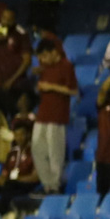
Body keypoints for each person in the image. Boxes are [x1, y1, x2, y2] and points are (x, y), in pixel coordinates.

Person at [30, 35, 76, 193]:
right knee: (37, 149)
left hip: (57, 115)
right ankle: (46, 184)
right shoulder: (44, 69)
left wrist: (51, 87)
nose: (42, 60)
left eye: (44, 56)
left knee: (55, 152)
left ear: (53, 52)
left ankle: (55, 185)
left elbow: (73, 90)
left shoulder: (66, 66)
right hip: (42, 113)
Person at [0, 8, 31, 115]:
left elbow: (27, 61)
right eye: (4, 18)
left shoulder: (21, 34)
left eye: (9, 19)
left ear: (14, 20)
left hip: (16, 85)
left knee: (16, 117)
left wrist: (12, 80)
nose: (6, 22)